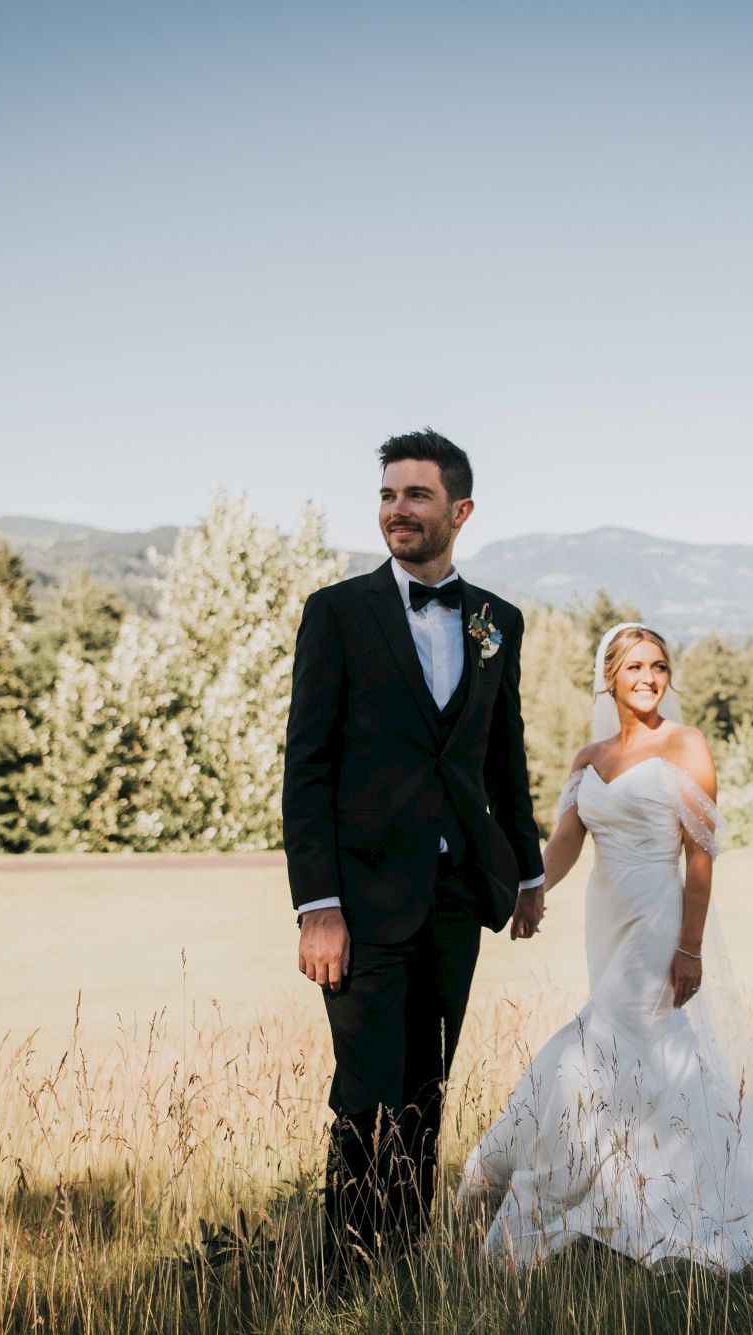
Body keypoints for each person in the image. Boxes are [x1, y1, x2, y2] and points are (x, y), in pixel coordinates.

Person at [457, 623, 753, 1272]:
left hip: (659, 918)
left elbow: (701, 855)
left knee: (590, 1047)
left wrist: (689, 948)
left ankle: (526, 1210)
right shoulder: (588, 758)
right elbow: (561, 845)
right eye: (634, 665)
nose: (648, 676)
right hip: (605, 917)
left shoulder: (685, 744)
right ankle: (649, 1180)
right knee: (641, 1059)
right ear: (607, 675)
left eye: (658, 665)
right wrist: (523, 891)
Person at [282, 429, 546, 1266]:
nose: (398, 509)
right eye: (390, 494)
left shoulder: (495, 622)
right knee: (366, 1096)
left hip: (457, 896)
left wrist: (527, 869)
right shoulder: (338, 612)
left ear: (459, 511)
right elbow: (308, 767)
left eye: (417, 495)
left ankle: (406, 1263)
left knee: (426, 1093)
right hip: (360, 901)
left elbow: (505, 757)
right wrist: (317, 905)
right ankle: (351, 1274)